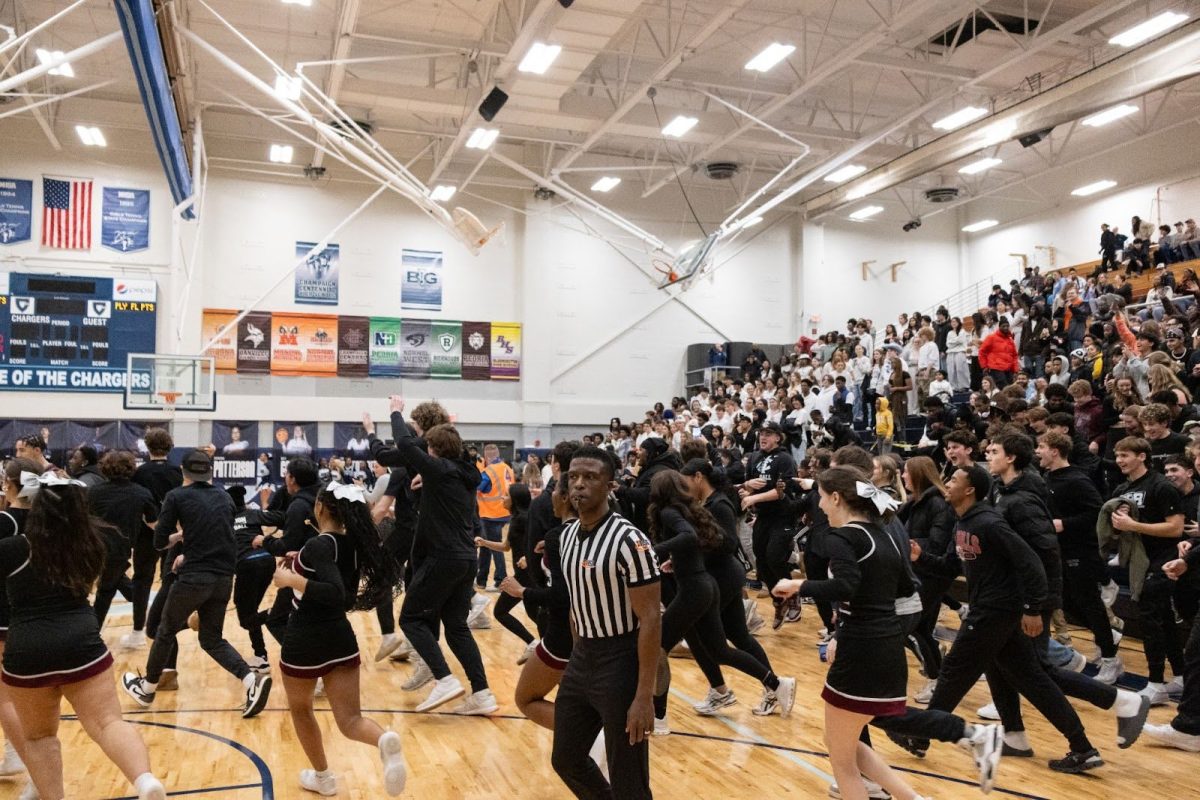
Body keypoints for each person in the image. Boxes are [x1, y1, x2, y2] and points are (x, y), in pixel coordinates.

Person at [914, 465, 1104, 773]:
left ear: (970, 489)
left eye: (953, 480)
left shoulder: (991, 523)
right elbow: (950, 566)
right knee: (1034, 680)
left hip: (996, 611)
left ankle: (920, 735)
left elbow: (1032, 564)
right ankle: (1082, 747)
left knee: (953, 672)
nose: (946, 484)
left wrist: (1033, 608)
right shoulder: (961, 523)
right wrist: (920, 557)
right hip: (992, 611)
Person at [0, 472, 166, 800]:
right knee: (108, 723)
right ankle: (145, 780)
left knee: (39, 738)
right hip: (82, 642)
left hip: (27, 650)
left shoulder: (12, 549)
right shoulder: (97, 542)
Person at [773, 466, 926, 800]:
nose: (821, 506)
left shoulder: (843, 536)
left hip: (861, 648)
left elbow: (846, 585)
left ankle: (965, 737)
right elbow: (904, 586)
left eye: (823, 498)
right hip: (886, 643)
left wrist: (799, 584)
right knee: (844, 741)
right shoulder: (885, 533)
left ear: (837, 497)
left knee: (842, 762)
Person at [274, 481, 407, 796]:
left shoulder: (320, 545)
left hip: (304, 639)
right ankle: (383, 740)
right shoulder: (350, 546)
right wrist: (301, 562)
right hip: (340, 639)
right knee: (350, 720)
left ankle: (323, 779)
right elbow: (344, 598)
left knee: (302, 710)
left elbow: (333, 593)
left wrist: (291, 578)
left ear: (320, 507)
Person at [364, 396, 494, 715]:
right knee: (456, 626)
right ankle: (483, 694)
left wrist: (395, 412)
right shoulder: (465, 472)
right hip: (467, 558)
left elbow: (406, 447)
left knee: (410, 618)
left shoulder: (436, 468)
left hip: (443, 556)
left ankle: (444, 677)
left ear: (433, 450)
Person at [121, 450, 273, 718]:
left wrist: (180, 538)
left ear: (183, 471)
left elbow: (158, 541)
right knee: (211, 639)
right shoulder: (224, 497)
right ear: (210, 472)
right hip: (224, 578)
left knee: (164, 630)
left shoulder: (176, 496)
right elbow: (220, 536)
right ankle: (251, 681)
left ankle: (146, 688)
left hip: (194, 577)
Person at [551, 445, 661, 800]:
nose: (579, 485)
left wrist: (645, 694)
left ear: (610, 485)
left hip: (621, 660)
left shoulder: (630, 540)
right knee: (565, 758)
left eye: (590, 477)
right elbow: (575, 602)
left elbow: (650, 618)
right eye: (574, 477)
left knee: (629, 778)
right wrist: (576, 654)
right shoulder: (567, 535)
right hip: (583, 655)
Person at [648, 470, 793, 733]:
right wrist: (675, 558)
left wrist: (654, 550)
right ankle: (776, 684)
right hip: (705, 585)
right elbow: (693, 542)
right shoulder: (688, 509)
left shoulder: (669, 512)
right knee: (719, 651)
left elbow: (689, 538)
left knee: (658, 647)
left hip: (695, 589)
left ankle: (659, 718)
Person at [1035, 432, 1122, 682]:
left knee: (1090, 605)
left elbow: (1097, 512)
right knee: (1067, 604)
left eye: (1041, 447)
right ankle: (1107, 633)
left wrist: (1065, 523)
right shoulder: (1047, 477)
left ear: (1055, 450)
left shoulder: (1076, 479)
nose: (1037, 452)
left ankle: (1110, 660)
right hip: (1059, 550)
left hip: (1080, 551)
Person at [1109, 436, 1187, 704]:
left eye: (1125, 455)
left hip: (1162, 560)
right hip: (1137, 561)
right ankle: (1180, 675)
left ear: (1142, 456)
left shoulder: (1161, 487)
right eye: (1117, 455)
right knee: (1162, 618)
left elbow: (1175, 528)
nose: (1119, 460)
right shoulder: (1120, 488)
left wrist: (1134, 526)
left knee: (1150, 618)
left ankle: (1155, 682)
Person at [899, 456, 955, 704]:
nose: (902, 476)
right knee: (921, 628)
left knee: (908, 626)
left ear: (919, 475)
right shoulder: (915, 502)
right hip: (919, 571)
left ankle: (936, 677)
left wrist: (911, 546)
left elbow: (937, 544)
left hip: (932, 573)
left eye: (906, 473)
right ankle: (938, 677)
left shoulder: (938, 504)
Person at [127, 429, 182, 650]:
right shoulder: (177, 472)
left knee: (141, 580)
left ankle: (138, 631)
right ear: (169, 447)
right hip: (174, 533)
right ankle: (163, 627)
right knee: (169, 580)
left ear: (147, 447)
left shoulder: (138, 473)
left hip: (145, 535)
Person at [739, 421, 797, 628]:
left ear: (778, 437)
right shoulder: (754, 457)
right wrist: (746, 490)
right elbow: (748, 487)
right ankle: (778, 600)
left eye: (769, 433)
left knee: (774, 557)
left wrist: (754, 499)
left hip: (783, 515)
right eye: (761, 433)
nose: (763, 437)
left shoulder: (785, 459)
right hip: (762, 517)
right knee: (761, 563)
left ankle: (793, 595)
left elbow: (782, 491)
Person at [87, 451, 157, 625]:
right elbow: (153, 522)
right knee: (106, 589)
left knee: (108, 585)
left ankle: (93, 630)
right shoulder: (141, 493)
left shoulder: (93, 491)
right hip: (120, 548)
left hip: (94, 547)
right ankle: (93, 631)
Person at [474, 483, 538, 662]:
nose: (502, 498)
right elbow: (506, 547)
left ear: (515, 500)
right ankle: (545, 645)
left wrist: (528, 556)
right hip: (523, 576)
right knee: (535, 615)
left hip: (528, 575)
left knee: (501, 611)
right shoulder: (516, 518)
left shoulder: (525, 519)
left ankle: (537, 644)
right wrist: (484, 542)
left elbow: (540, 540)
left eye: (506, 495)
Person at [228, 485, 283, 671]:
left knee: (246, 618)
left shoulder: (225, 519)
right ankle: (261, 656)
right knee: (251, 610)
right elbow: (281, 518)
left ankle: (278, 614)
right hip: (268, 561)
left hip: (247, 565)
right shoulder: (253, 514)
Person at [476, 443, 515, 591]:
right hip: (505, 512)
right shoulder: (507, 468)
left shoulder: (488, 472)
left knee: (496, 548)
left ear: (486, 456)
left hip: (491, 514)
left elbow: (478, 487)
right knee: (486, 546)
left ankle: (501, 580)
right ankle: (481, 580)